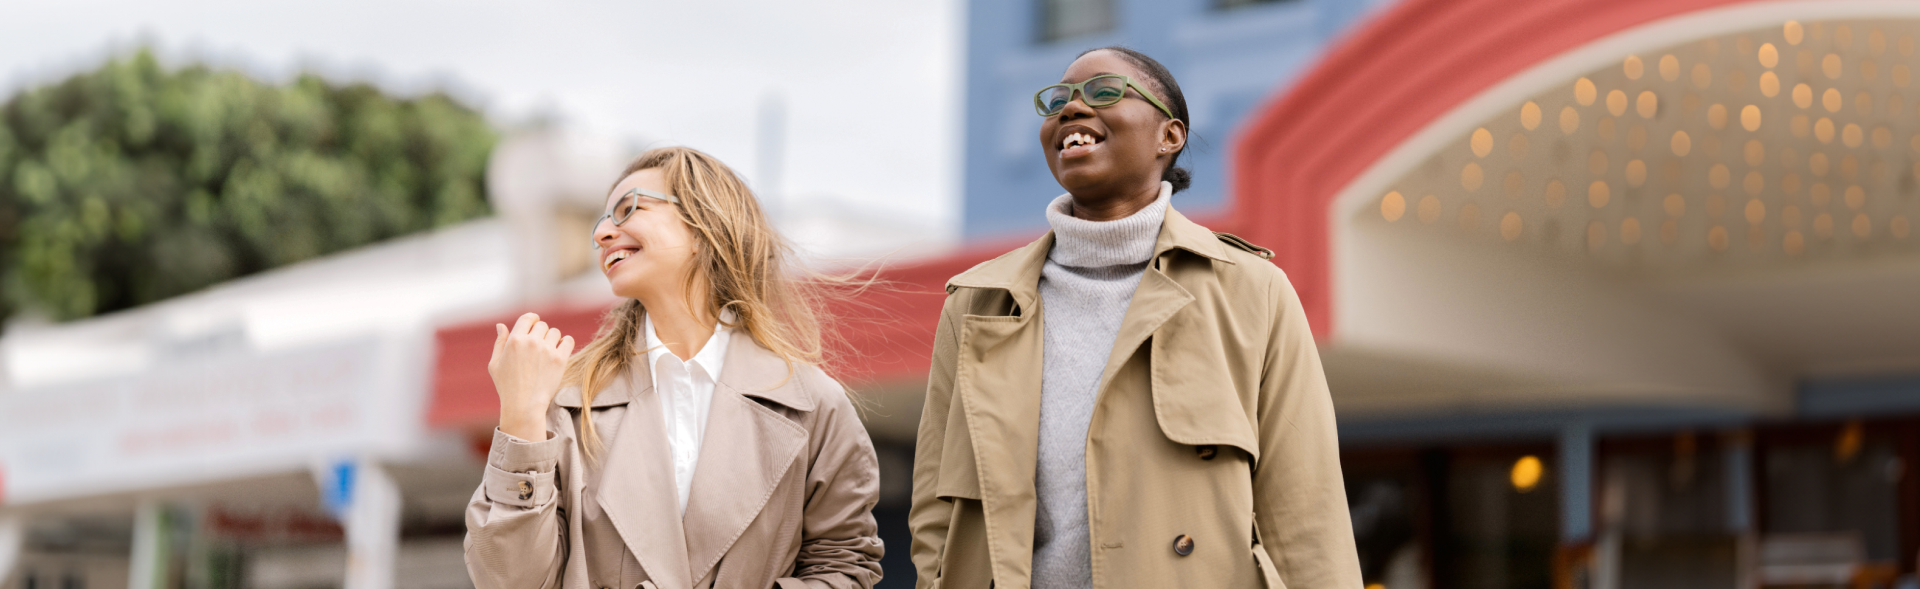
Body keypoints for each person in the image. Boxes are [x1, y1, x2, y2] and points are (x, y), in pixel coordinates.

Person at [907, 47, 1363, 588]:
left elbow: (1306, 510)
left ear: (1168, 137)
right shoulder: (977, 302)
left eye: (1103, 92)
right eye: (1058, 101)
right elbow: (936, 510)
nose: (1072, 110)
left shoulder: (1253, 291)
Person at [465, 147, 884, 589]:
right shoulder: (565, 405)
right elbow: (509, 580)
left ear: (704, 224)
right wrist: (520, 417)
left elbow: (846, 569)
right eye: (601, 221)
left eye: (628, 209)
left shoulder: (814, 404)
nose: (604, 233)